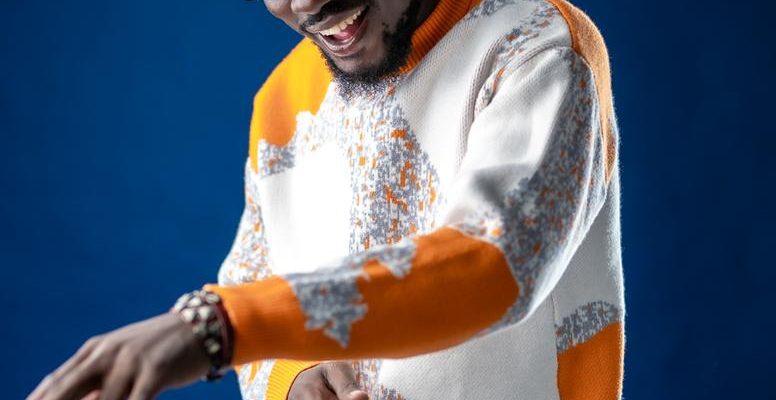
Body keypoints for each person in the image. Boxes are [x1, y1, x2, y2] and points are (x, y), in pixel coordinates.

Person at [28, 0, 625, 399]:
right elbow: (253, 283)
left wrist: (217, 327)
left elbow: (493, 264)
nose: (307, 1)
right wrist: (296, 376)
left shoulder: (537, 49)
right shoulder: (282, 103)